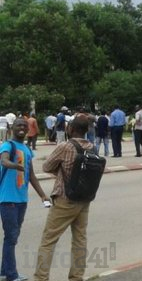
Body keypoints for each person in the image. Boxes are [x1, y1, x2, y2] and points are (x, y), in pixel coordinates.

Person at [33, 116, 95, 281]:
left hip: (65, 199)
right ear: (86, 130)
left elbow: (47, 167)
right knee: (80, 239)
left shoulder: (65, 146)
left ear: (71, 129)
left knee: (49, 240)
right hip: (84, 198)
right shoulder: (92, 147)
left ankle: (41, 277)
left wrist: (61, 173)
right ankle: (76, 277)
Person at [1, 118, 51, 281]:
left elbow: (32, 176)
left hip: (22, 200)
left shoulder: (27, 149)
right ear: (12, 128)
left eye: (24, 125)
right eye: (18, 125)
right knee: (11, 237)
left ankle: (4, 271)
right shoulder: (8, 145)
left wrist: (43, 195)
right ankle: (11, 275)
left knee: (12, 236)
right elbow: (4, 160)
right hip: (7, 199)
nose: (22, 128)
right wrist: (13, 165)